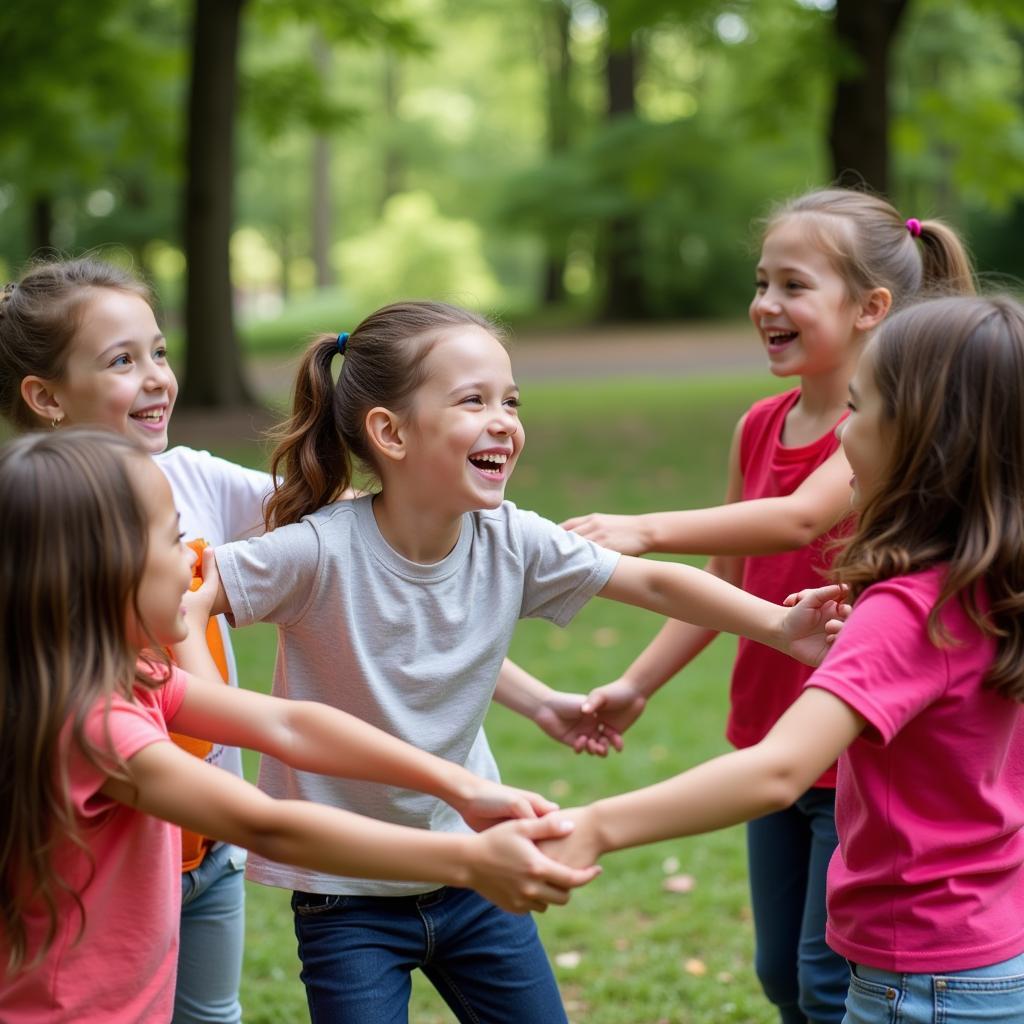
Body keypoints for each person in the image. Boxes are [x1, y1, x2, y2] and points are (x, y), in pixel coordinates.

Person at [199, 299, 848, 1023]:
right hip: (346, 893)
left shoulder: (507, 538)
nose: (504, 419)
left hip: (479, 870)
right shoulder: (317, 551)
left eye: (511, 400)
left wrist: (780, 627)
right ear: (390, 432)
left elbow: (654, 579)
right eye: (472, 400)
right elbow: (189, 592)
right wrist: (197, 699)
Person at [0, 427, 605, 1024]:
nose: (194, 557)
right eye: (174, 537)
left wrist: (463, 787)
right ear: (102, 572)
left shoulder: (126, 678)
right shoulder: (94, 726)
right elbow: (264, 823)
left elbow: (291, 725)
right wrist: (468, 861)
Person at [541, 294, 1024, 1024]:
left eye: (857, 412)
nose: (840, 439)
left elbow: (778, 770)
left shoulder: (905, 611)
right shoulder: (997, 588)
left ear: (924, 439)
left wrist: (598, 825)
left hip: (916, 981)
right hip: (998, 957)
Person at [0, 259, 272, 1024]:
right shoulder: (31, 526)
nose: (157, 377)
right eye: (123, 360)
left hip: (207, 848)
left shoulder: (195, 478)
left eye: (159, 351)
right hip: (101, 859)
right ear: (47, 397)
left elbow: (331, 526)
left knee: (210, 1015)